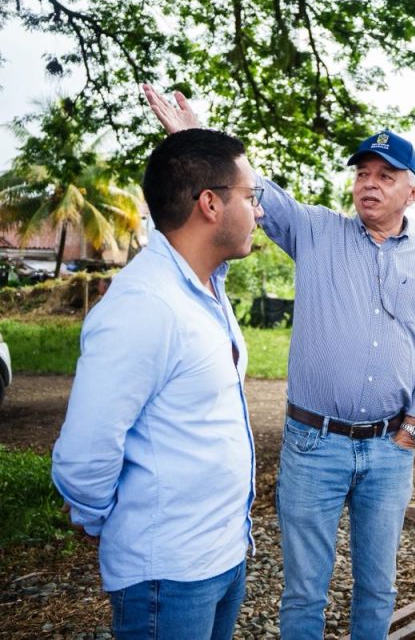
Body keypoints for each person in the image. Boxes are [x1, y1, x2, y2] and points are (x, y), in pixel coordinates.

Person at [143, 86, 415, 640]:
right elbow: (253, 188)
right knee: (305, 590)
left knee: (378, 587)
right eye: (363, 174)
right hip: (315, 445)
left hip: (389, 449)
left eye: (385, 176)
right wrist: (193, 138)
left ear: (414, 191)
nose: (369, 184)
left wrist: (413, 425)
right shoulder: (315, 230)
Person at [51, 128, 263, 639]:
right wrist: (98, 518)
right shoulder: (144, 304)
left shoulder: (205, 287)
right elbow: (86, 450)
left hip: (222, 554)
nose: (259, 211)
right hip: (168, 574)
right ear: (210, 204)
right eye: (251, 196)